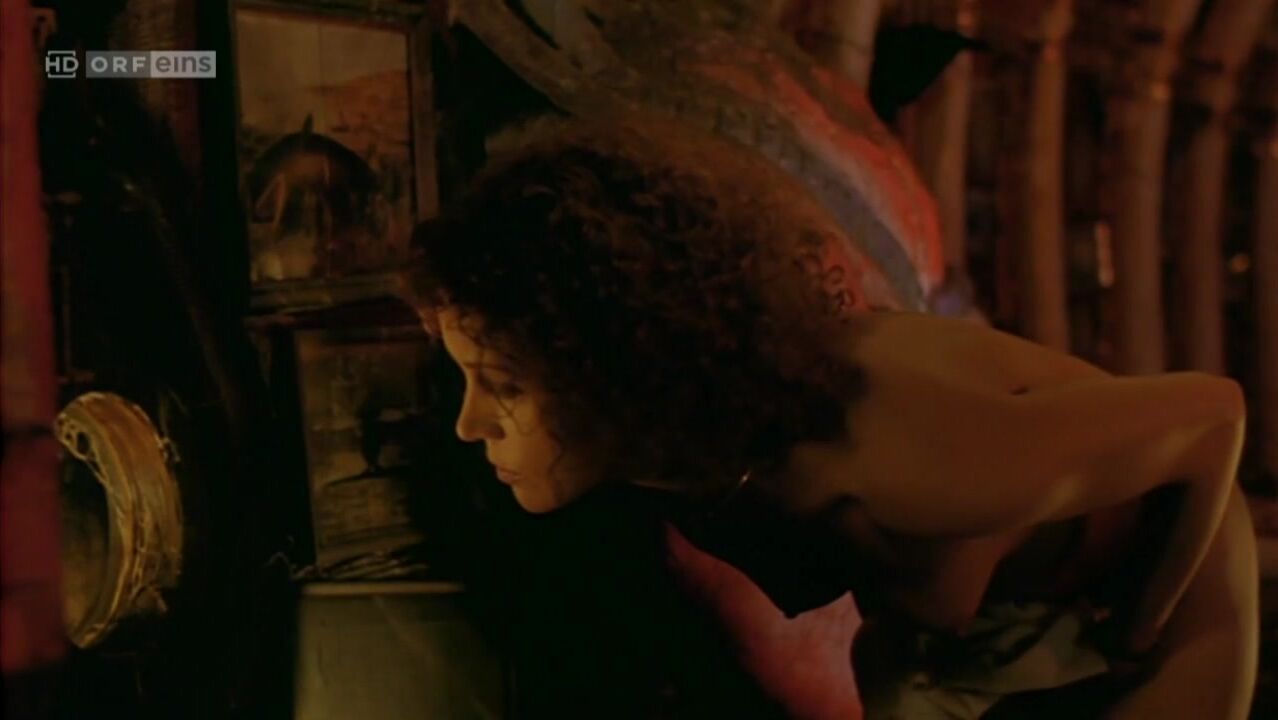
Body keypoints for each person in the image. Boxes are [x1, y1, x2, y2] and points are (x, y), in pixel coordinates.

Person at [399, 115, 1259, 719]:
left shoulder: (890, 448)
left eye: (502, 385)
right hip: (990, 631)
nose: (471, 424)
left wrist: (1142, 624)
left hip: (1179, 610)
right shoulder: (694, 447)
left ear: (606, 365)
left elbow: (1213, 415)